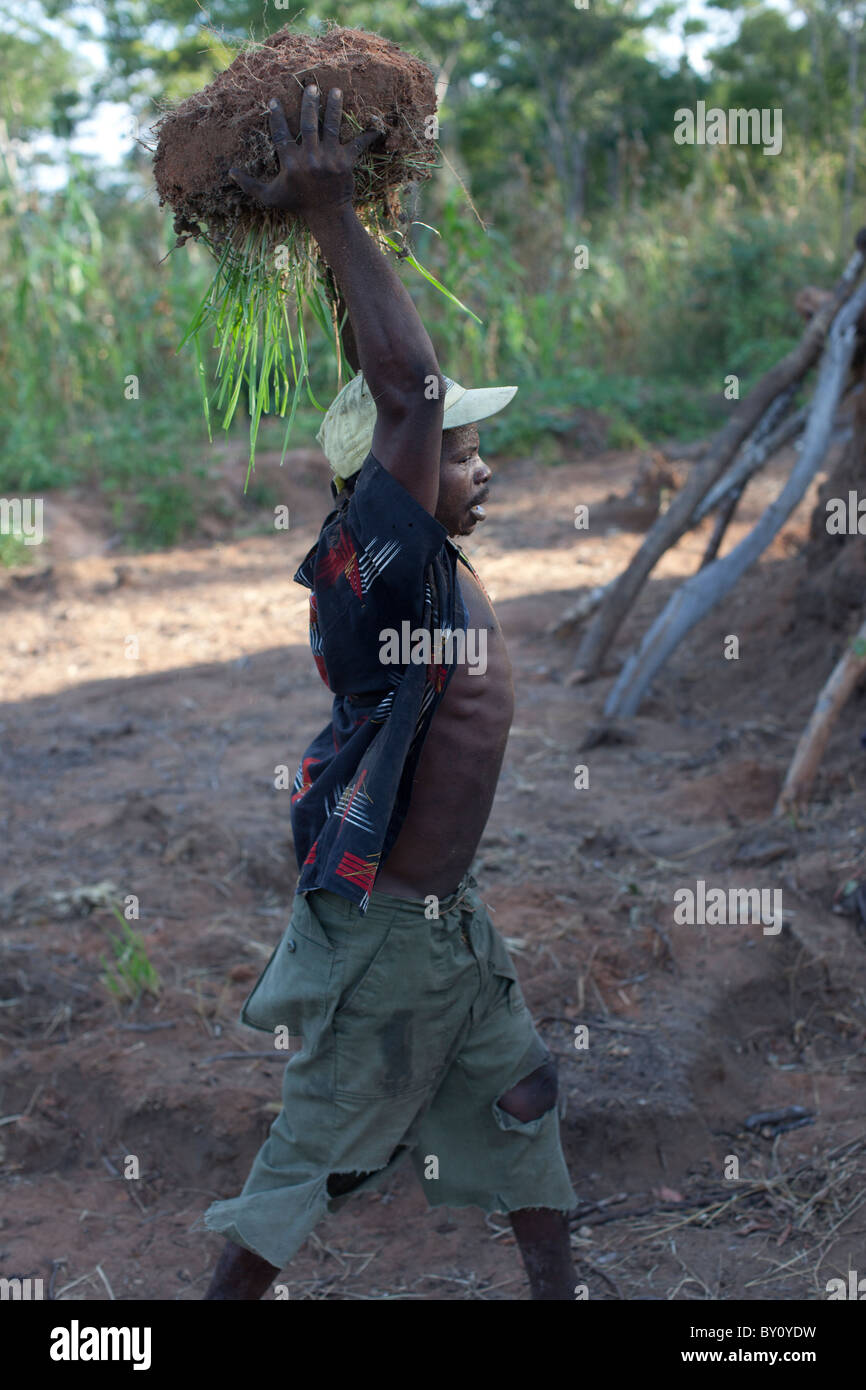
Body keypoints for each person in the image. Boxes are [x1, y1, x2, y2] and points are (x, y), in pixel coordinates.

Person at [201, 85, 577, 1300]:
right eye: (463, 452)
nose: (484, 465)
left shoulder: (422, 559)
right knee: (312, 1155)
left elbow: (400, 393)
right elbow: (406, 389)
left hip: (449, 923)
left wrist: (337, 250)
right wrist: (329, 212)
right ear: (396, 476)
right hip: (384, 939)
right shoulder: (389, 560)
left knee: (521, 1091)